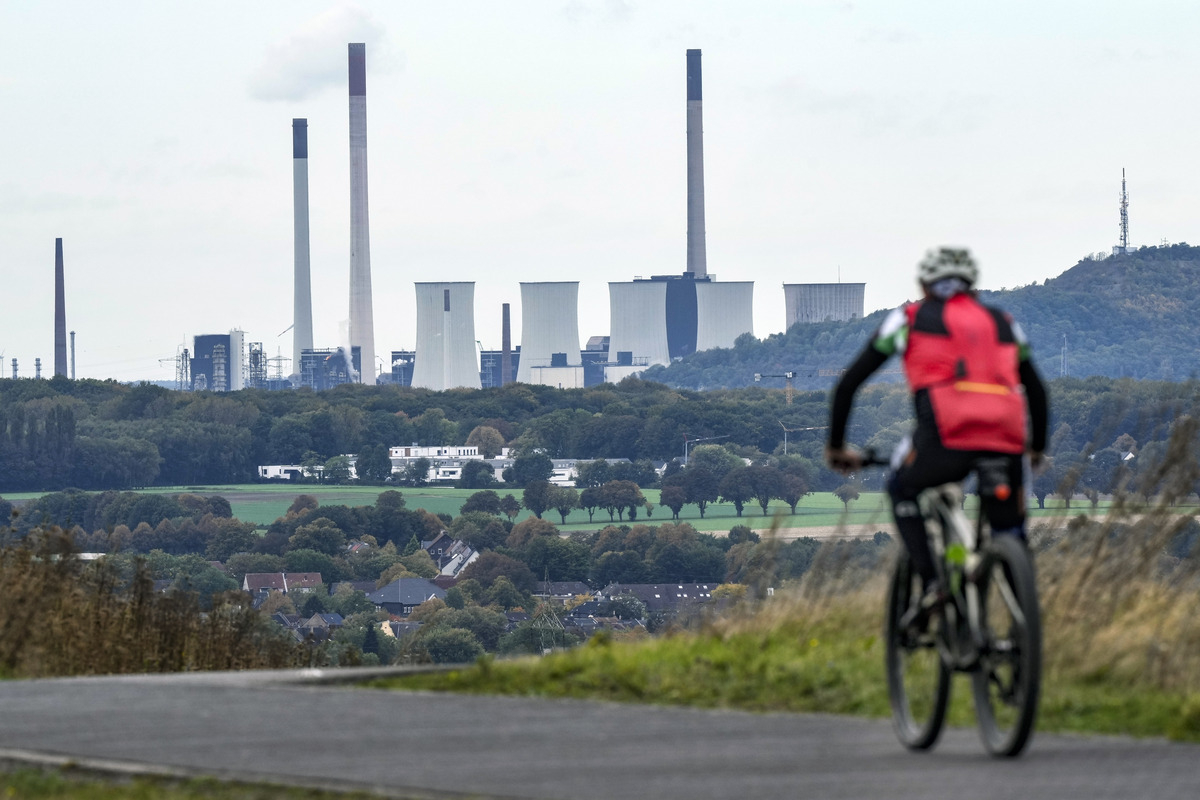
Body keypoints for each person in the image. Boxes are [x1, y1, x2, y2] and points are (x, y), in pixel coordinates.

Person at [825, 246, 1048, 616]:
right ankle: (1023, 624)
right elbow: (1037, 389)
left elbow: (849, 384)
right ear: (971, 285)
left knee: (902, 487)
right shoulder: (1004, 321)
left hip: (947, 437)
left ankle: (932, 583)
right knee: (1010, 531)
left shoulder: (909, 318)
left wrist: (836, 447)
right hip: (1007, 437)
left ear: (925, 286)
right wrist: (1036, 448)